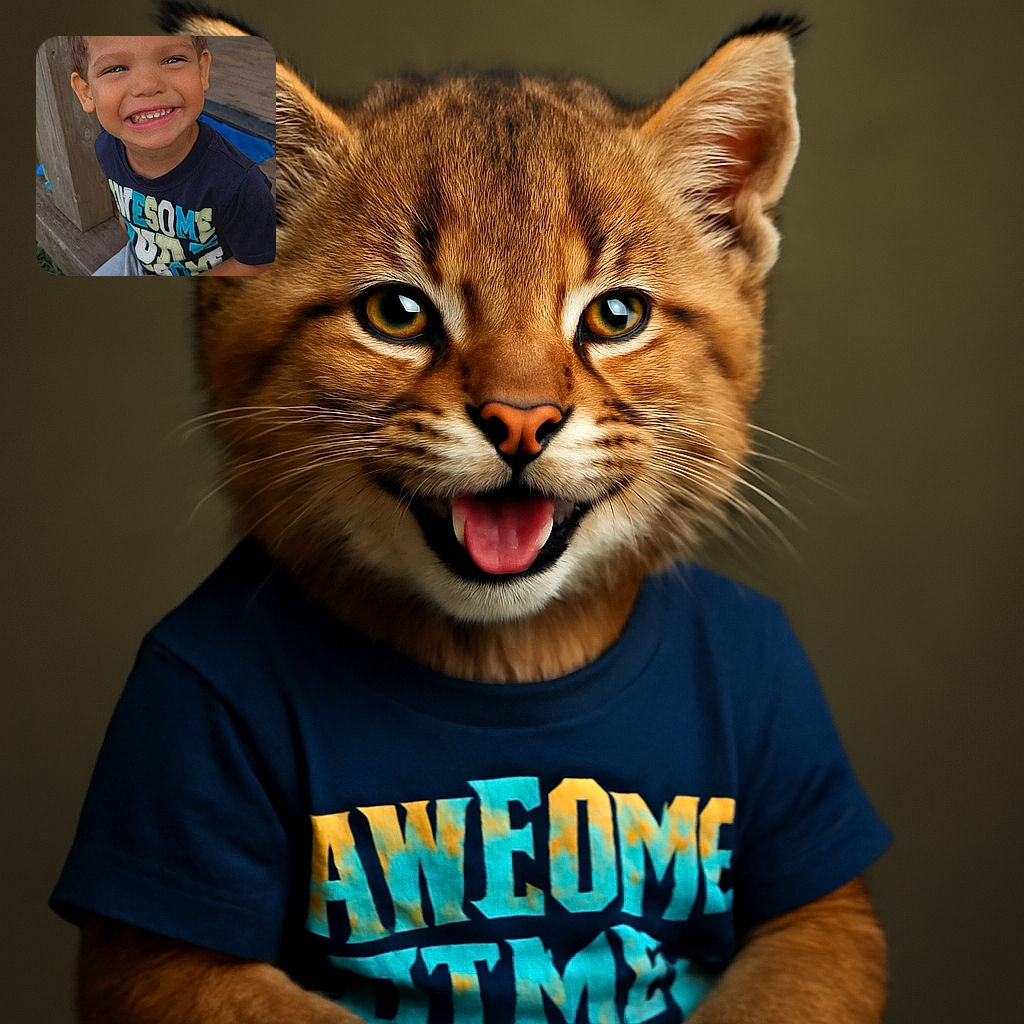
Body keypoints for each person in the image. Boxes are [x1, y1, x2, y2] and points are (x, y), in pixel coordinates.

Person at [69, 35, 275, 276]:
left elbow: (259, 263)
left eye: (172, 60)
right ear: (87, 92)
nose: (147, 85)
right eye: (116, 68)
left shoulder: (240, 183)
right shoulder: (106, 148)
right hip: (139, 260)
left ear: (201, 71)